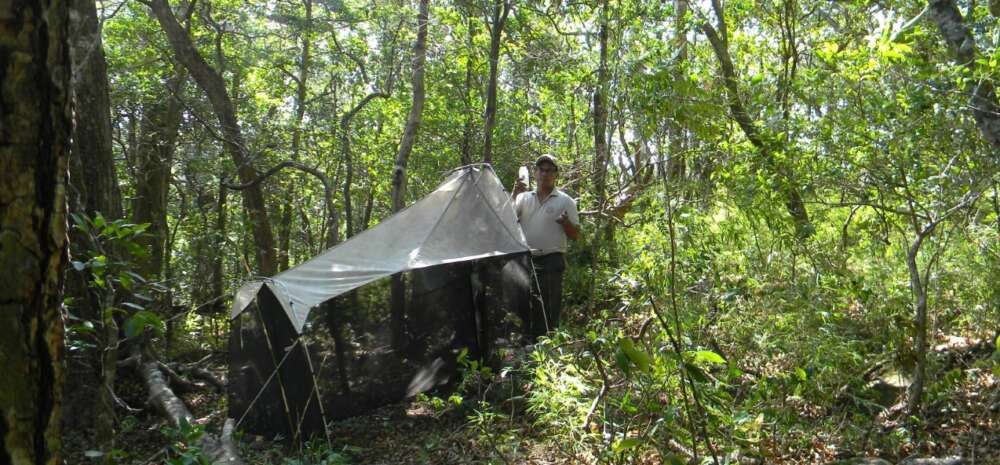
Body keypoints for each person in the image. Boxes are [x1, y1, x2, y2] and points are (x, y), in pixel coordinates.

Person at [512, 154, 580, 340]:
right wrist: (513, 195)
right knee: (523, 304)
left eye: (550, 170)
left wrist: (566, 224)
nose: (545, 173)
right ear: (535, 173)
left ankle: (548, 348)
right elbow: (508, 221)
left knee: (549, 306)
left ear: (556, 174)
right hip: (525, 261)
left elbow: (576, 235)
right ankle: (527, 346)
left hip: (551, 260)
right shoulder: (523, 198)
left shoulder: (566, 201)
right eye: (541, 169)